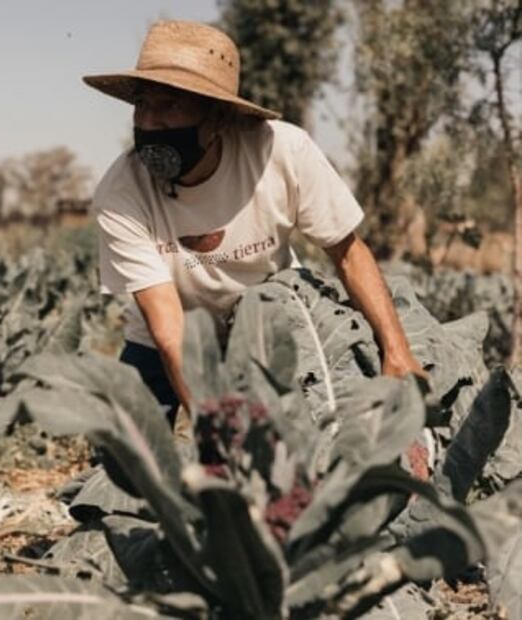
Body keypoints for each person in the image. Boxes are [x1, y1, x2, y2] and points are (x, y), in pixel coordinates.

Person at [83, 20, 426, 425]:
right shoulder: (121, 192)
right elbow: (169, 326)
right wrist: (214, 431)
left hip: (272, 322)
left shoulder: (282, 152)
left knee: (316, 432)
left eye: (171, 105)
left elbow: (348, 254)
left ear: (219, 119)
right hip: (168, 339)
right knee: (125, 447)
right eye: (143, 104)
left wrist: (397, 350)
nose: (150, 122)